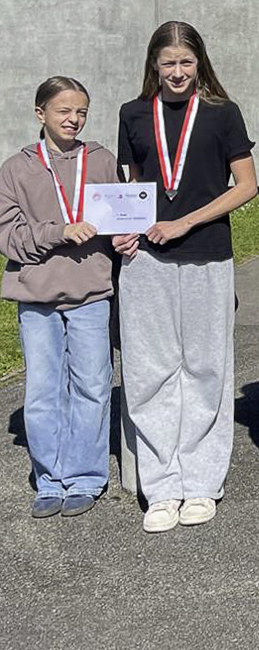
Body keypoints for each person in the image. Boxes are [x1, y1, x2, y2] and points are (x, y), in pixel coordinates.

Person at [115, 21, 257, 534]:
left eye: (186, 62)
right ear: (154, 64)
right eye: (168, 63)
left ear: (201, 63)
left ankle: (200, 482)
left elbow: (245, 186)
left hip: (206, 255)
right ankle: (161, 485)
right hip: (146, 262)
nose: (177, 73)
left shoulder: (222, 114)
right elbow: (132, 190)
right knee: (150, 371)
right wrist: (126, 232)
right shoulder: (133, 114)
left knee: (205, 369)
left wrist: (187, 220)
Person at [0, 77, 120, 518]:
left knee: (91, 387)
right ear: (40, 114)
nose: (73, 119)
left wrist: (124, 235)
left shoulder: (103, 160)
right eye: (63, 111)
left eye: (81, 112)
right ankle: (50, 478)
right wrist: (57, 232)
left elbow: (119, 218)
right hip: (37, 298)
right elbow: (7, 236)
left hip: (90, 292)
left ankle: (86, 477)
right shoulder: (16, 169)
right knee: (43, 391)